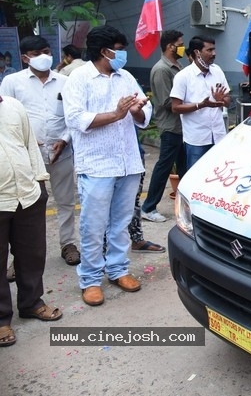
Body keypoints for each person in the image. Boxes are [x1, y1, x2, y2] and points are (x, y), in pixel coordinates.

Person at [62, 25, 151, 306]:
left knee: (121, 223)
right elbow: (75, 118)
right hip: (98, 164)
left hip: (127, 162)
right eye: (120, 49)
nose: (124, 54)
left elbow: (143, 112)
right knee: (93, 225)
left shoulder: (126, 77)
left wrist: (137, 111)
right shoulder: (79, 78)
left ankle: (118, 269)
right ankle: (89, 279)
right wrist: (115, 114)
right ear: (105, 51)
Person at [0, 35, 80, 267]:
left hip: (61, 152)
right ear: (25, 58)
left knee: (65, 201)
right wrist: (27, 143)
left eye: (46, 51)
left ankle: (68, 244)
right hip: (26, 157)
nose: (44, 57)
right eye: (37, 54)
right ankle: (19, 258)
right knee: (26, 206)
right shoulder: (12, 82)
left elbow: (72, 117)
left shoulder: (64, 82)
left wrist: (64, 140)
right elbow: (6, 118)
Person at [0, 95, 62, 347]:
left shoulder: (13, 106)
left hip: (27, 194)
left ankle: (31, 302)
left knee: (32, 254)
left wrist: (40, 182)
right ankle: (2, 319)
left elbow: (30, 146)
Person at [140, 30, 187, 223]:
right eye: (180, 43)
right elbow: (168, 101)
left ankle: (186, 206)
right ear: (170, 46)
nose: (182, 47)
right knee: (164, 167)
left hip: (182, 126)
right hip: (170, 126)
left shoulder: (177, 65)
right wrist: (194, 104)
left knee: (185, 168)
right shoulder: (162, 69)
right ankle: (148, 207)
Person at [170, 35, 231, 169]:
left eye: (214, 50)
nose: (214, 53)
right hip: (197, 139)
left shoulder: (217, 71)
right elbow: (175, 108)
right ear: (197, 52)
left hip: (218, 136)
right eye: (209, 50)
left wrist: (222, 100)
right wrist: (200, 105)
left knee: (220, 175)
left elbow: (228, 100)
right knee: (196, 180)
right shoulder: (183, 76)